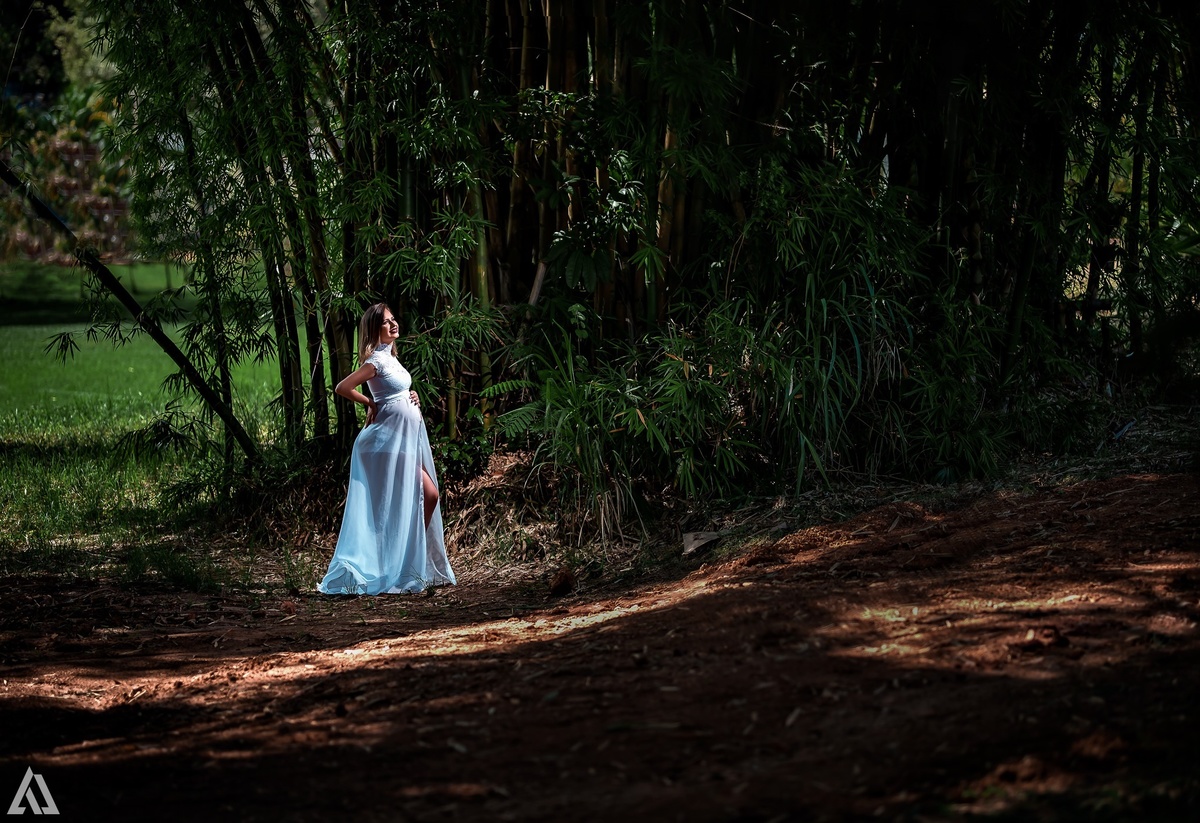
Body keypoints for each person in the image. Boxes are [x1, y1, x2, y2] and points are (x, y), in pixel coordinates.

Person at [317, 302, 455, 595]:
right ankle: (391, 564)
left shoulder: (393, 358)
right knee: (407, 500)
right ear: (374, 329)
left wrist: (410, 394)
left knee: (429, 495)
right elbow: (343, 387)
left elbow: (396, 391)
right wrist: (369, 403)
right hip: (382, 446)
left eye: (394, 319)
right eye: (386, 322)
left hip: (399, 443)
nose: (394, 325)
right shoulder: (376, 361)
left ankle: (402, 559)